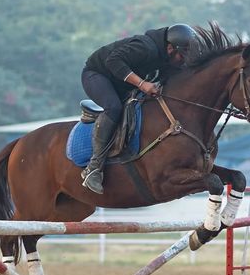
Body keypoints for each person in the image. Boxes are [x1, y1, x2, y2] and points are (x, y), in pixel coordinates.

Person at [80, 23, 197, 194]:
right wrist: (142, 84)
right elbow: (112, 61)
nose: (183, 60)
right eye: (182, 55)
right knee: (113, 107)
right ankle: (93, 168)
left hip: (121, 83)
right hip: (97, 74)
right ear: (170, 48)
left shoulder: (168, 59)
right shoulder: (145, 48)